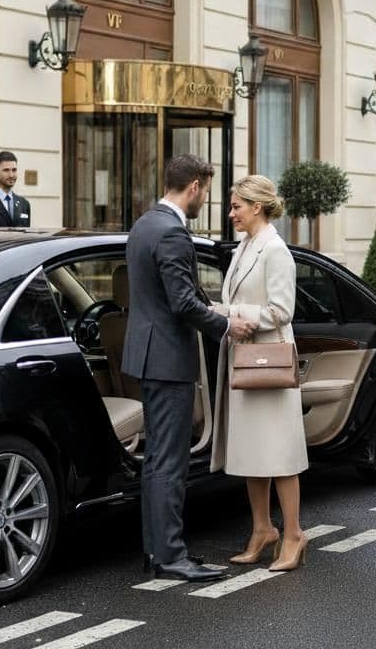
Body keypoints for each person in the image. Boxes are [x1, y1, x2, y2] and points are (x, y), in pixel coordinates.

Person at [123, 154, 254, 582]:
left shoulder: (144, 224)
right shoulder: (174, 233)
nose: (206, 200)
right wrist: (226, 325)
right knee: (169, 461)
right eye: (207, 190)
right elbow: (181, 303)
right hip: (167, 359)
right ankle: (170, 557)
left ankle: (156, 551)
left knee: (156, 459)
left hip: (147, 355)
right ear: (195, 186)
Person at [210, 175, 309, 572]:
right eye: (231, 206)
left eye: (236, 206)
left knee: (280, 455)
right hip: (244, 359)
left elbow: (282, 311)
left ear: (257, 206)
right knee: (251, 452)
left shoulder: (275, 250)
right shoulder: (245, 246)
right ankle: (262, 529)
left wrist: (232, 315)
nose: (231, 212)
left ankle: (294, 534)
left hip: (269, 361)